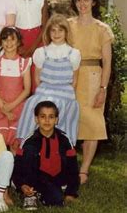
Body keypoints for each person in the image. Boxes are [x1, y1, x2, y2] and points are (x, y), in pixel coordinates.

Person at [68, 0, 114, 184]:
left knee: (92, 123)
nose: (82, 4)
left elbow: (107, 62)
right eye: (78, 0)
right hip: (70, 77)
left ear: (93, 1)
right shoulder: (68, 25)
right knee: (69, 122)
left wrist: (103, 89)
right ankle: (66, 166)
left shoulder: (102, 29)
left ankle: (84, 169)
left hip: (94, 78)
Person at [17, 14, 80, 145]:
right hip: (45, 91)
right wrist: (45, 93)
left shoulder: (73, 54)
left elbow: (74, 80)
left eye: (60, 30)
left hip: (65, 95)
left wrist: (66, 96)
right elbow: (37, 78)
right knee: (34, 105)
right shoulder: (41, 52)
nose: (56, 33)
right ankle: (28, 145)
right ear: (48, 32)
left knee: (57, 115)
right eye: (53, 30)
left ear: (66, 32)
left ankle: (60, 151)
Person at [13, 101, 79, 210]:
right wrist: (22, 184)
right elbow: (18, 167)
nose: (47, 120)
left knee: (56, 202)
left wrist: (70, 193)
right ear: (36, 119)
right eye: (43, 116)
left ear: (56, 120)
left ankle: (47, 192)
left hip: (58, 179)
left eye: (51, 117)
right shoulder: (28, 141)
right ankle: (30, 193)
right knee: (29, 152)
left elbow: (73, 168)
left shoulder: (65, 140)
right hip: (35, 178)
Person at [0, 27, 31, 150]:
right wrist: (3, 108)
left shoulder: (24, 63)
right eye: (5, 40)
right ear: (1, 42)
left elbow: (27, 89)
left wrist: (11, 106)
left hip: (17, 104)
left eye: (12, 40)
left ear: (18, 42)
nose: (9, 43)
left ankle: (16, 167)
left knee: (15, 141)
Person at [14, 0, 48, 93]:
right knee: (21, 79)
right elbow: (12, 25)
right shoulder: (13, 0)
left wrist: (34, 47)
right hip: (19, 42)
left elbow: (45, 26)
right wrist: (19, 46)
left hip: (38, 40)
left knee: (37, 79)